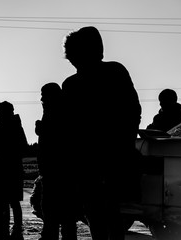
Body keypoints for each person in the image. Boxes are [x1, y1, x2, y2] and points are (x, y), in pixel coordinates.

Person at [61, 26, 142, 240]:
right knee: (101, 213)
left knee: (103, 213)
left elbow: (132, 112)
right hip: (95, 160)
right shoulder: (75, 83)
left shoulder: (77, 83)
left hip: (104, 158)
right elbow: (133, 111)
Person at [35, 82, 76, 240]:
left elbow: (54, 136)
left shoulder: (56, 111)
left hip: (55, 168)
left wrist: (41, 128)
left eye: (44, 95)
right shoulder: (59, 109)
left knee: (54, 208)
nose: (41, 98)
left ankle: (51, 236)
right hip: (55, 168)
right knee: (61, 210)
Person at [0, 101, 28, 240]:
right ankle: (13, 227)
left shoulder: (2, 128)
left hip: (7, 168)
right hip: (11, 168)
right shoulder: (14, 127)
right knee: (11, 201)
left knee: (8, 201)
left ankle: (12, 228)